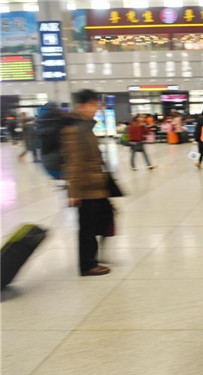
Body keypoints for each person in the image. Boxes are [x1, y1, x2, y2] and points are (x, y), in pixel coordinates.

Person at [61, 89, 113, 276]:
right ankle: (87, 265)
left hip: (95, 185)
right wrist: (73, 192)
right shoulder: (75, 129)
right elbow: (73, 162)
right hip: (86, 188)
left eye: (97, 105)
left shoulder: (85, 126)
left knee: (103, 219)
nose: (96, 109)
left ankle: (92, 259)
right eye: (92, 105)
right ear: (81, 106)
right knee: (87, 228)